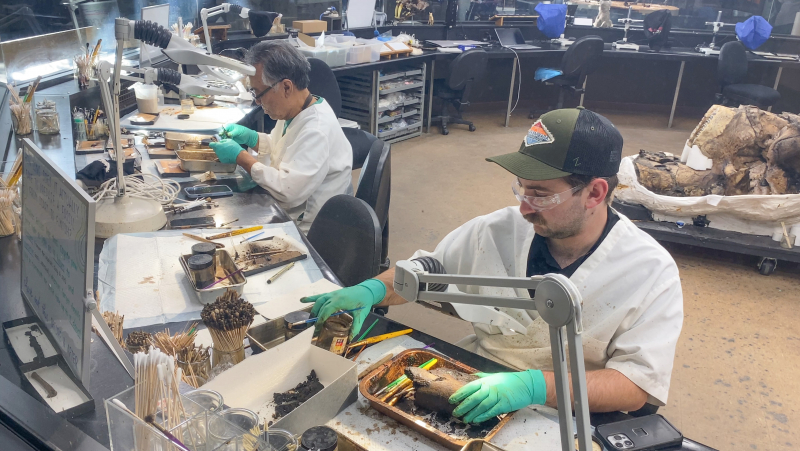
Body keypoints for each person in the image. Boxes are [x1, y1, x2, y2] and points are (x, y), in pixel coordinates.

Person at [302, 108, 683, 422]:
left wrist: (534, 387)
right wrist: (372, 289)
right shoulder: (499, 230)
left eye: (540, 194)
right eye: (520, 188)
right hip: (475, 375)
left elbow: (636, 387)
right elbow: (428, 270)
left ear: (595, 193)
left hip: (563, 412)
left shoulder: (649, 272)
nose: (524, 206)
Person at [210, 40, 353, 233]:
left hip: (308, 229)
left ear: (286, 87)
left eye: (259, 93)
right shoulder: (296, 110)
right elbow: (283, 147)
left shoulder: (316, 129)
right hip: (288, 210)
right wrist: (253, 138)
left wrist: (242, 158)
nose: (258, 102)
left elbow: (288, 191)